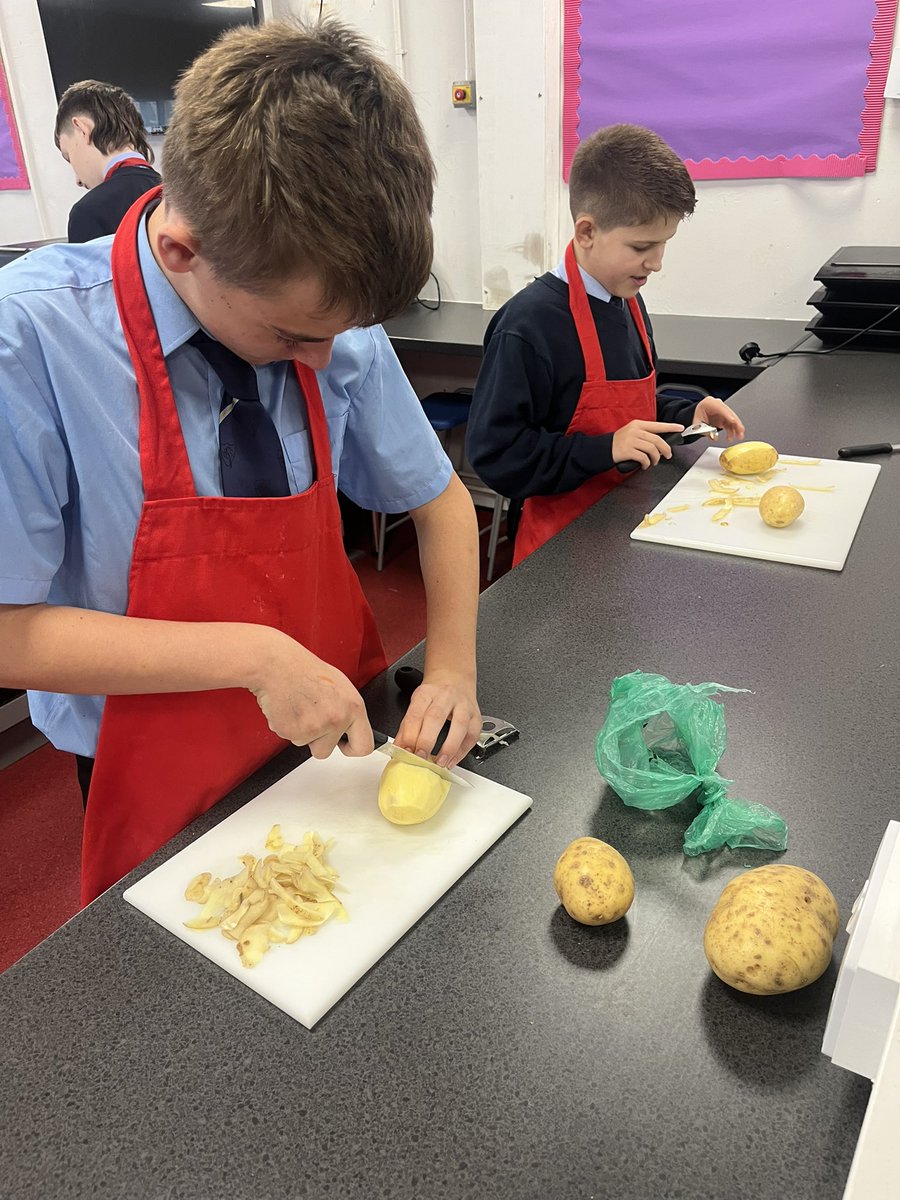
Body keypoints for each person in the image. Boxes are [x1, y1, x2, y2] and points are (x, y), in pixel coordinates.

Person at [0, 19, 482, 903]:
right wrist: (253, 656)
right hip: (146, 754)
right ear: (182, 251)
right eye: (295, 337)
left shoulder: (327, 318)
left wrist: (452, 665)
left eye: (341, 334)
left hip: (327, 730)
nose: (324, 361)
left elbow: (441, 501)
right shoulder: (28, 342)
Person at [465, 123, 745, 566]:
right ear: (586, 232)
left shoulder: (627, 300)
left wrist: (684, 415)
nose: (656, 263)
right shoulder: (528, 326)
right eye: (642, 246)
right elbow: (497, 455)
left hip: (627, 526)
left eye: (664, 244)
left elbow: (628, 410)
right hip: (559, 551)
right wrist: (605, 449)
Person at [54, 79, 162, 242]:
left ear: (82, 130)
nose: (78, 181)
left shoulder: (89, 212)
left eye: (69, 156)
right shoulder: (180, 195)